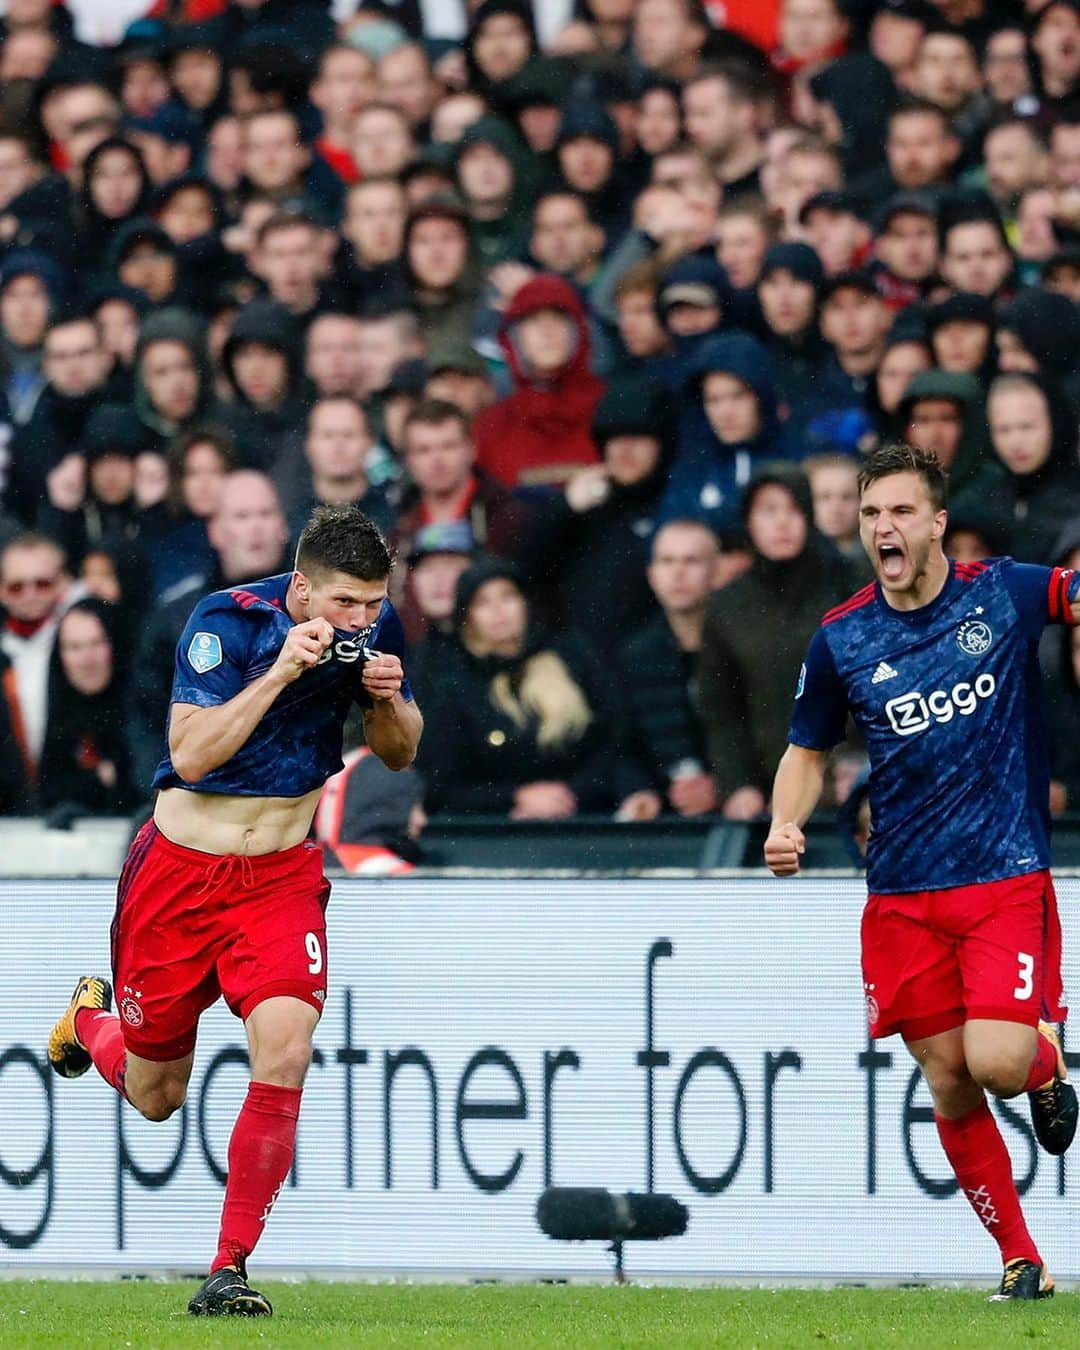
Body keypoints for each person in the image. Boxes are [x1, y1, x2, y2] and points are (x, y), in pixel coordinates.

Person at [47, 503, 422, 1317]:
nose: (361, 619)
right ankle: (88, 1026)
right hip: (180, 878)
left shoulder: (367, 639)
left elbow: (399, 752)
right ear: (301, 588)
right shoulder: (227, 622)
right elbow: (189, 753)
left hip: (281, 878)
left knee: (285, 1052)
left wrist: (387, 700)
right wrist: (284, 671)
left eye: (373, 603)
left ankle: (227, 1269)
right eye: (346, 604)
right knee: (157, 1096)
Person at [764, 441, 1080, 1302]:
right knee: (946, 1077)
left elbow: (1072, 593)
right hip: (901, 894)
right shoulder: (842, 637)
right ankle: (1022, 1260)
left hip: (1003, 874)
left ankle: (1047, 1063)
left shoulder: (1003, 592)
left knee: (1000, 1062)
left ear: (937, 521)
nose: (884, 527)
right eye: (871, 514)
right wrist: (785, 821)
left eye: (901, 510)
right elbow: (806, 747)